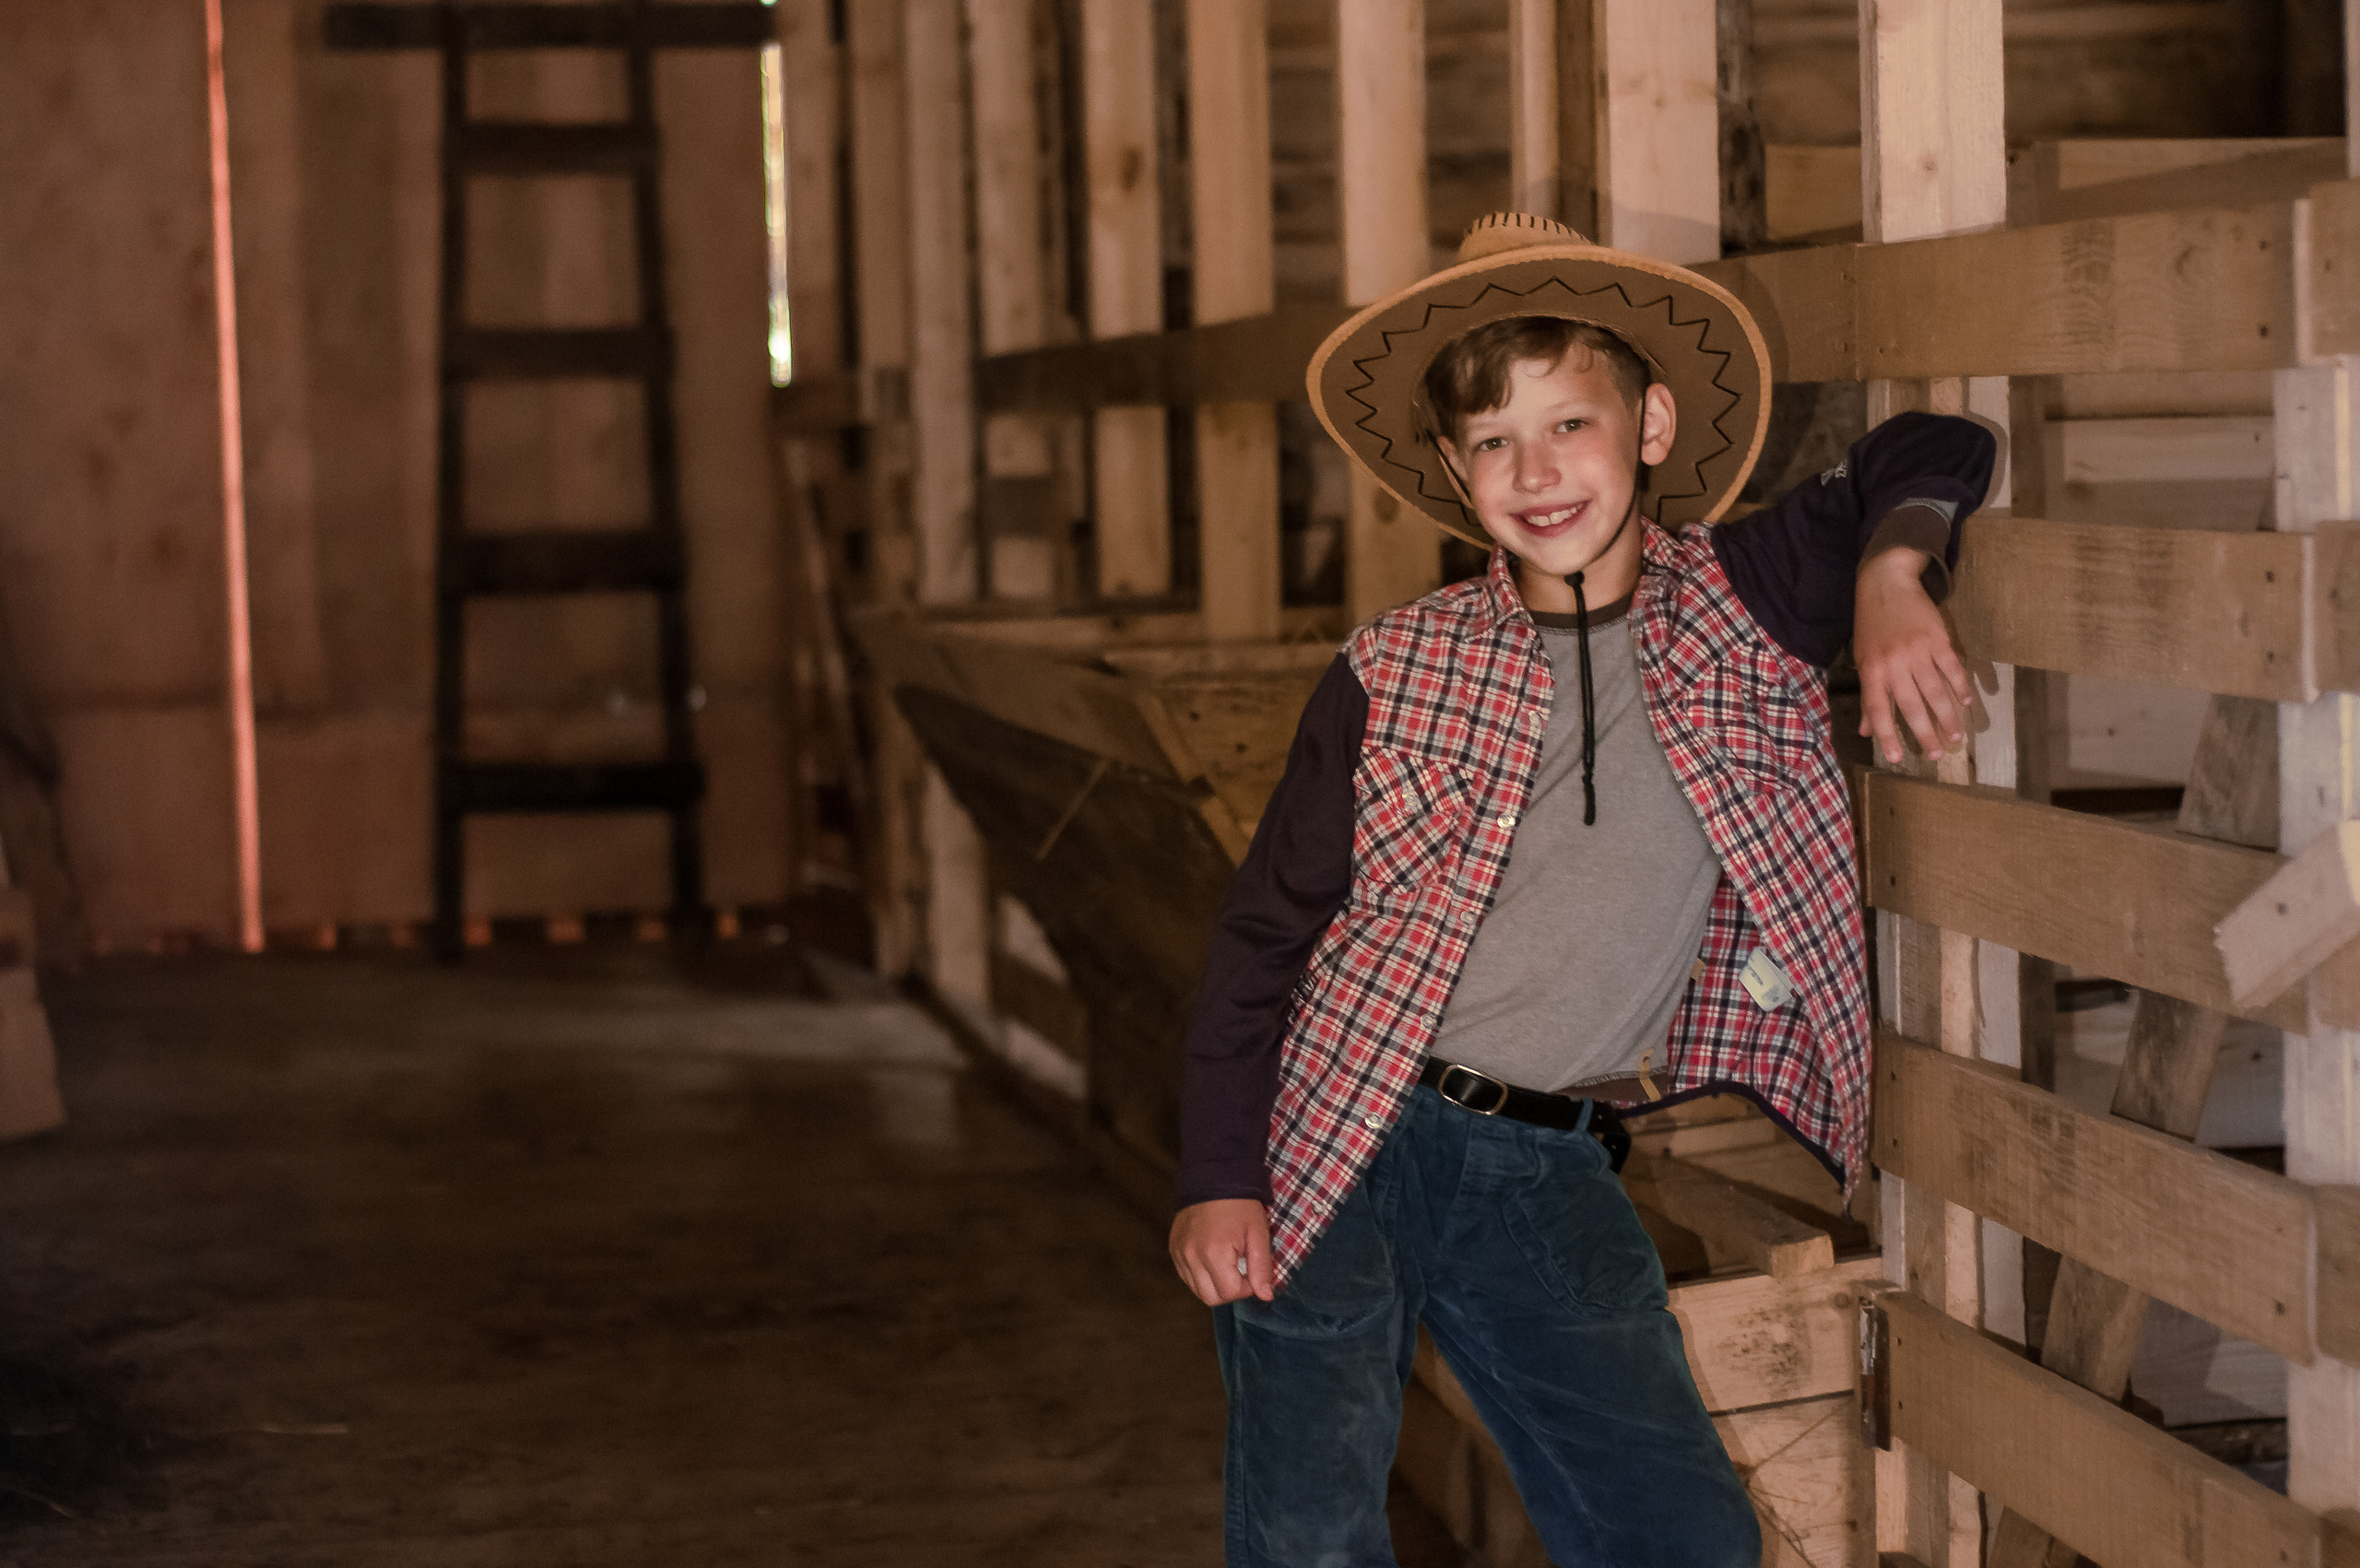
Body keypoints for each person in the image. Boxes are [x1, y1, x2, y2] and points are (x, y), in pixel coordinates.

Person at [1166, 212, 1995, 1567]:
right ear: (1455, 470)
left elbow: (1936, 445)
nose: (1536, 470)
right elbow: (1267, 930)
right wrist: (1217, 1175)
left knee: (1681, 1535)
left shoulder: (1746, 599)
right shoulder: (1395, 665)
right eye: (1493, 441)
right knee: (1310, 1531)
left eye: (1569, 423)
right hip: (1338, 1129)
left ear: (1650, 424)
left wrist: (1895, 573)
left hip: (1542, 1156)